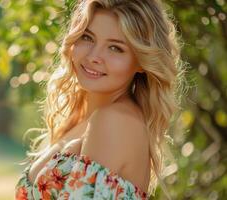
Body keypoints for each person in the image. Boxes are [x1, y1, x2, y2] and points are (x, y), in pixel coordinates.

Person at [15, 0, 186, 199]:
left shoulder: (114, 121)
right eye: (87, 37)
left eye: (115, 48)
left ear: (141, 60)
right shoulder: (89, 117)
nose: (94, 56)